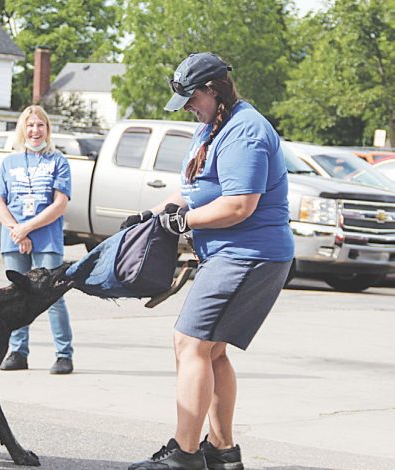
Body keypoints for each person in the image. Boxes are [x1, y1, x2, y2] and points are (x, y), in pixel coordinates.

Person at [128, 53, 294, 470]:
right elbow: (192, 190)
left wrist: (181, 222)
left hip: (249, 254)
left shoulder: (245, 132)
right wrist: (154, 214)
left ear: (213, 91)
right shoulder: (211, 128)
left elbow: (239, 205)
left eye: (190, 98)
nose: (186, 107)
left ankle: (184, 455)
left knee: (190, 344)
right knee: (212, 351)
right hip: (230, 253)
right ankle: (221, 453)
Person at [0, 105, 75, 375]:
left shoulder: (57, 161)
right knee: (16, 296)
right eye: (30, 125)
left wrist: (28, 228)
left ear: (47, 130)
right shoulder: (9, 163)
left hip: (46, 237)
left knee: (53, 296)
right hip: (13, 236)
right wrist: (16, 229)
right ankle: (18, 351)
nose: (35, 130)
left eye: (40, 125)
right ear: (22, 129)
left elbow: (60, 204)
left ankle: (64, 354)